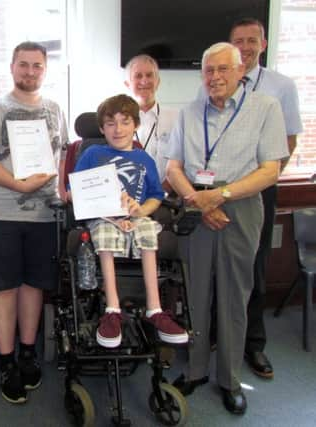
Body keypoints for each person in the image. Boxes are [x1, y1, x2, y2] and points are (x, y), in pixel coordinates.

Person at [166, 42, 288, 415]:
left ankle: (230, 379)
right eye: (208, 71)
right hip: (195, 208)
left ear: (239, 72)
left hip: (240, 208)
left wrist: (219, 195)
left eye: (223, 69)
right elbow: (173, 167)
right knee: (196, 293)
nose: (215, 77)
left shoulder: (265, 108)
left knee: (235, 295)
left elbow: (271, 169)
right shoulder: (188, 113)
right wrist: (196, 199)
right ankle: (198, 369)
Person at [0, 41, 68, 404]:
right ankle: (6, 360)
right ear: (12, 67)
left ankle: (28, 352)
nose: (30, 72)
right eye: (24, 65)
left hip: (44, 215)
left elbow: (58, 156)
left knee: (33, 286)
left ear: (45, 69)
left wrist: (57, 190)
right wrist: (17, 184)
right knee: (4, 288)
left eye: (37, 66)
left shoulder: (55, 108)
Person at [72, 94, 188, 349]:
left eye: (125, 122)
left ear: (136, 124)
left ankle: (154, 308)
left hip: (136, 217)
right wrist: (108, 208)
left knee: (148, 231)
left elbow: (156, 196)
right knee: (104, 235)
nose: (118, 129)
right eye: (110, 123)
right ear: (101, 128)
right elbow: (76, 191)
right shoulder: (93, 154)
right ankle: (112, 308)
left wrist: (140, 211)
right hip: (103, 217)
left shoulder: (144, 159)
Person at [229, 17, 303, 379]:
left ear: (264, 43)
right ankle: (219, 335)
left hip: (258, 189)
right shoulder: (217, 80)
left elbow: (289, 142)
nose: (244, 47)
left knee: (254, 267)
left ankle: (253, 344)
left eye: (251, 40)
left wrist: (263, 178)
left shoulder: (280, 86)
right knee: (221, 265)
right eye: (238, 41)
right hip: (220, 190)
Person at [124, 54, 178, 185]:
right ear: (127, 84)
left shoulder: (176, 118)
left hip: (165, 195)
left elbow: (182, 161)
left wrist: (161, 192)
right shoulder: (118, 121)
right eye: (138, 76)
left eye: (149, 75)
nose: (144, 81)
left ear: (158, 81)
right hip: (127, 196)